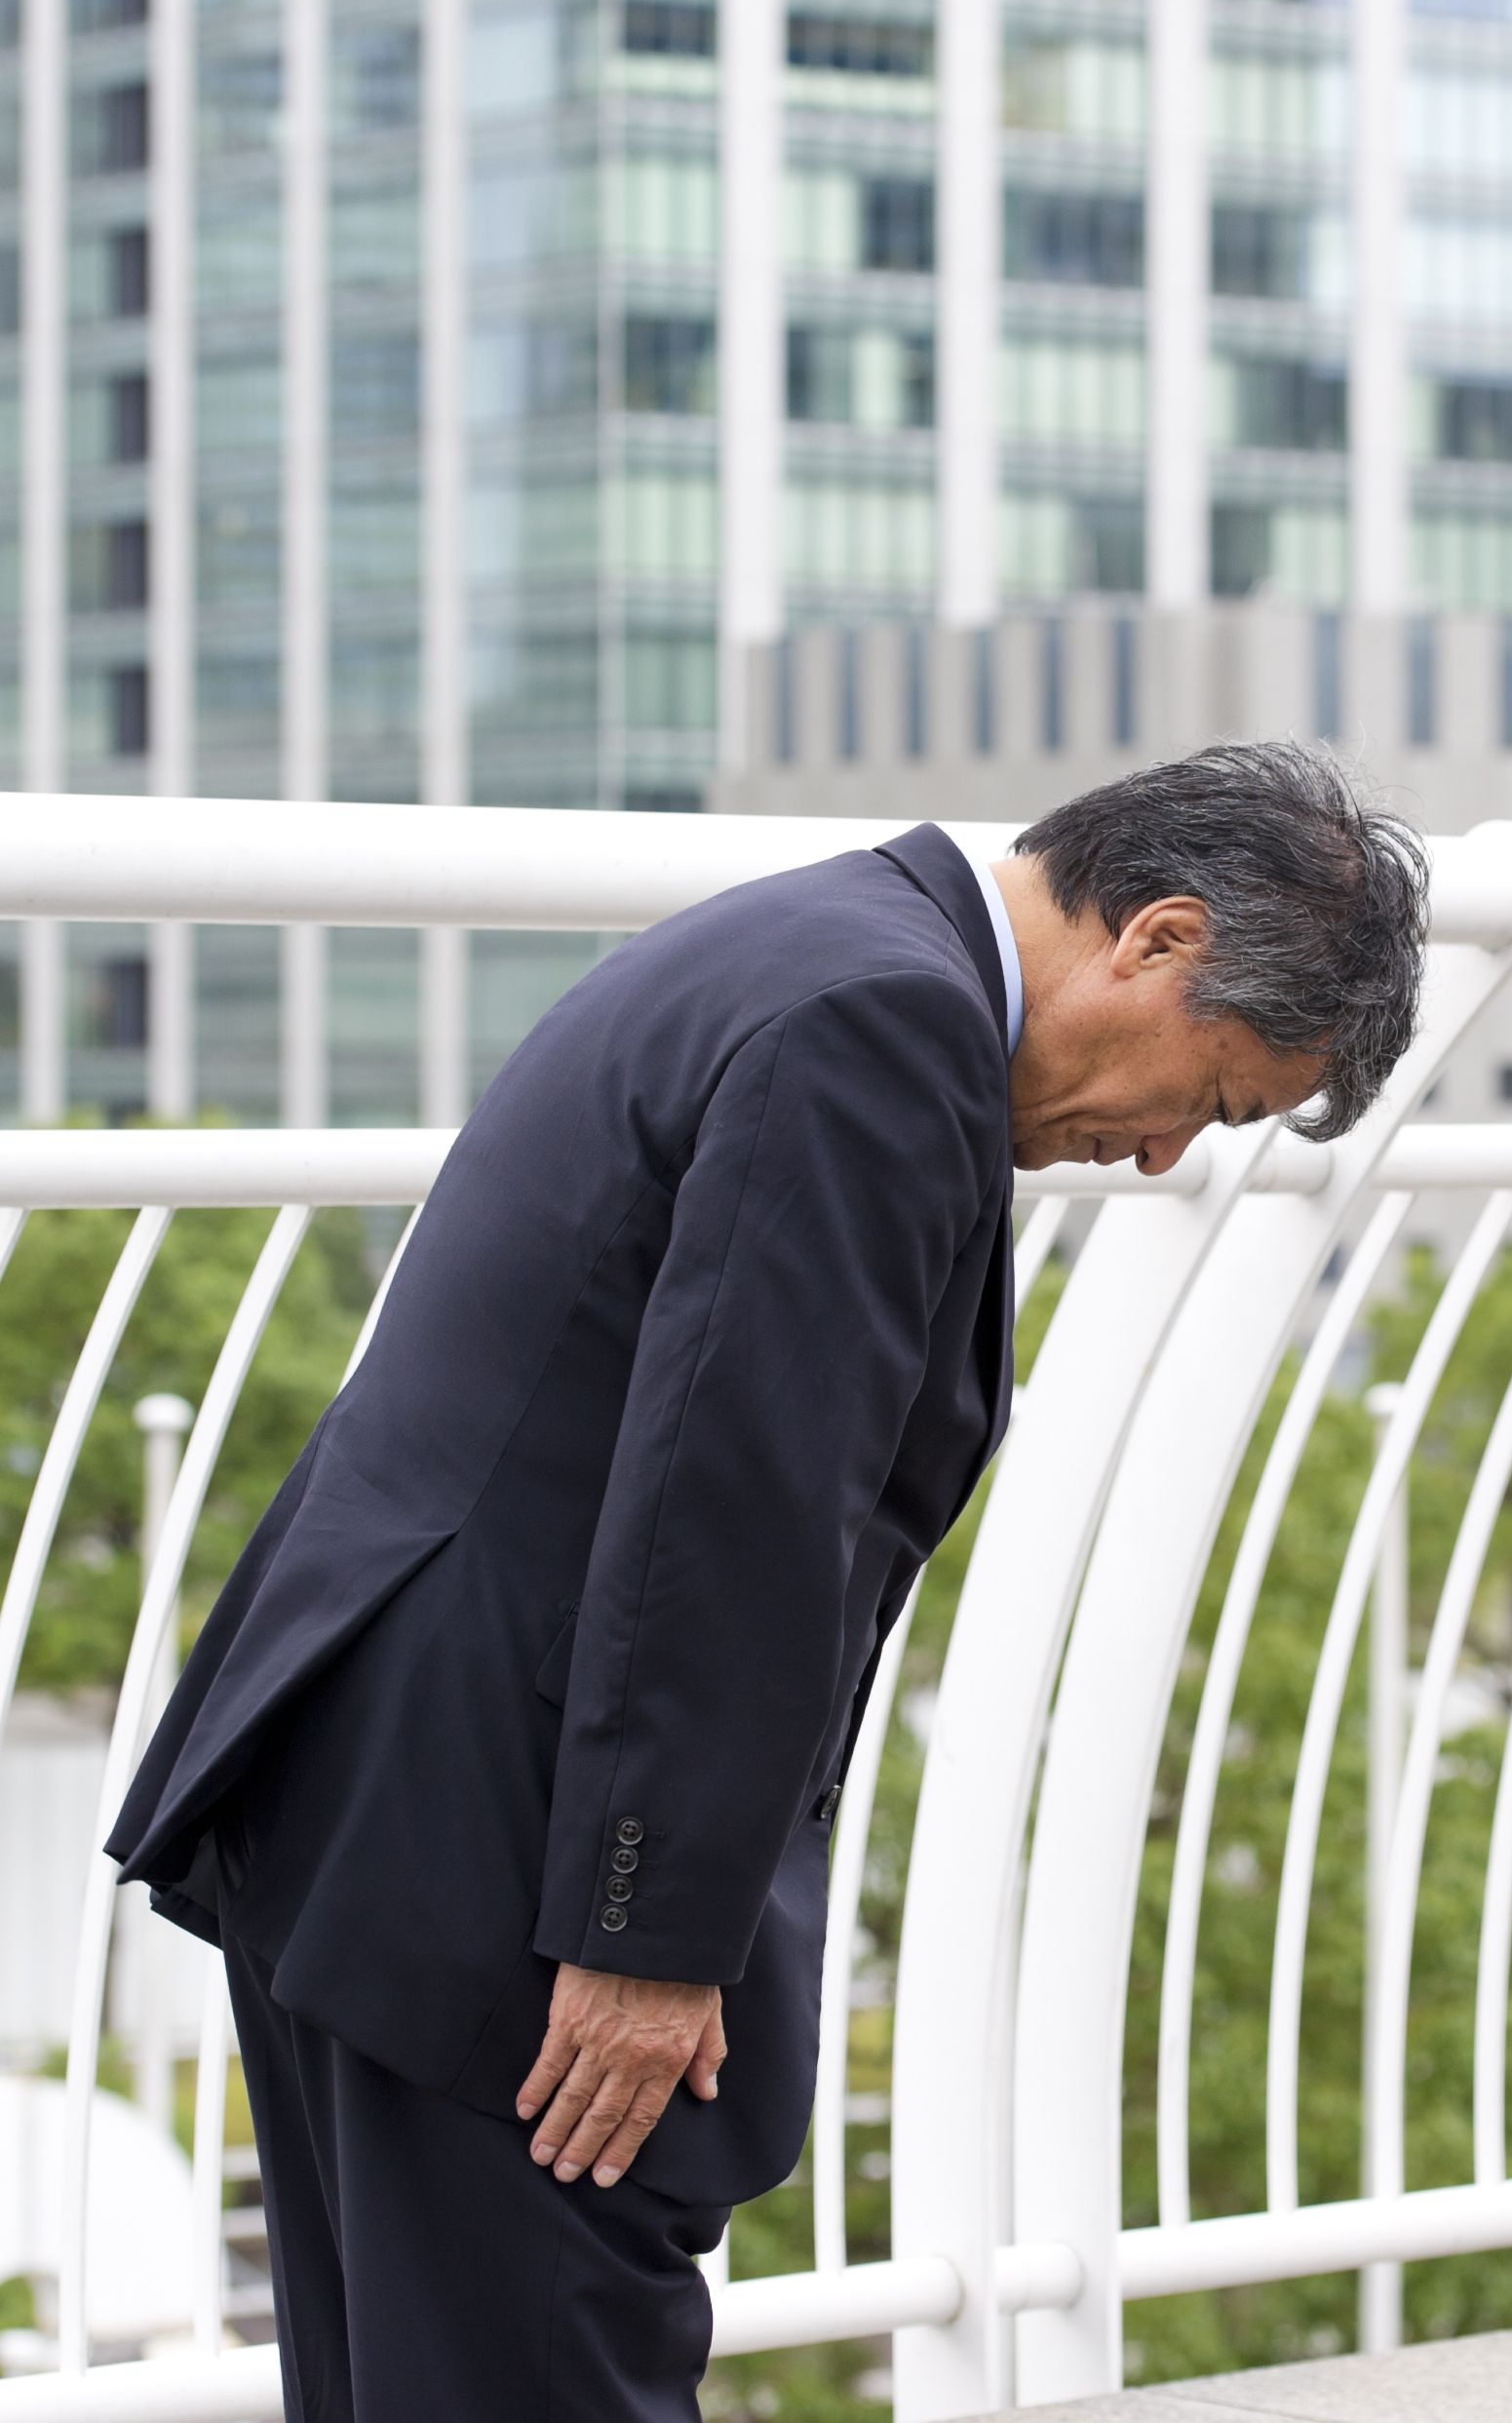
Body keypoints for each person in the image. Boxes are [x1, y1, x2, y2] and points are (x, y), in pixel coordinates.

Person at [109, 741, 1427, 2423]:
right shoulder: (882, 1029)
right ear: (1158, 941)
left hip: (384, 1800)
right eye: (1213, 1093)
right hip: (496, 1866)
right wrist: (644, 1933)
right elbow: (741, 1498)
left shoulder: (820, 944)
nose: (1166, 1155)